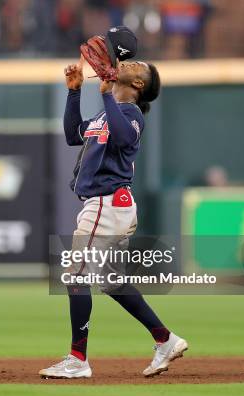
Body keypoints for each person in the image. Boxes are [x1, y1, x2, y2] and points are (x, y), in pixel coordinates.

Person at [39, 53, 188, 379]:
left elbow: (123, 136)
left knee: (75, 273)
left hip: (106, 203)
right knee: (111, 282)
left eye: (136, 67)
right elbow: (72, 134)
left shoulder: (132, 114)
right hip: (109, 204)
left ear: (137, 84)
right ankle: (165, 339)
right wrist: (75, 92)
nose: (128, 64)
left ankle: (78, 360)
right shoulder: (107, 112)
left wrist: (105, 95)